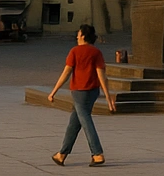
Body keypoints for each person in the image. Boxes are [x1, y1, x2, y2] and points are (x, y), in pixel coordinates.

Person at [48, 23, 115, 167]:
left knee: (86, 121)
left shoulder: (75, 52)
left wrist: (54, 91)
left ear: (83, 36)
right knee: (74, 124)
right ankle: (62, 154)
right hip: (93, 92)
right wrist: (109, 99)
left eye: (78, 33)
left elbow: (66, 73)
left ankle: (97, 153)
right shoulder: (96, 52)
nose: (76, 36)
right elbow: (102, 76)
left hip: (79, 91)